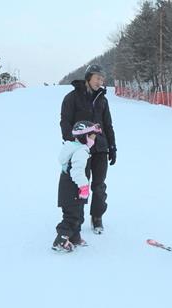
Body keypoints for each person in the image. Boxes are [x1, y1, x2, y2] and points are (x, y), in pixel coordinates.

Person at [60, 64, 117, 234]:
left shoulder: (102, 100)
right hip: (80, 149)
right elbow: (65, 122)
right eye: (97, 77)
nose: (100, 81)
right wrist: (72, 142)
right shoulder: (72, 97)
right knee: (79, 184)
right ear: (88, 77)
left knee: (99, 186)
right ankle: (76, 219)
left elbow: (108, 125)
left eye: (102, 79)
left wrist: (112, 147)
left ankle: (97, 217)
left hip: (100, 148)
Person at [52, 121, 102, 252]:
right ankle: (61, 240)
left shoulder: (72, 147)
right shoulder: (81, 151)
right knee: (71, 217)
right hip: (73, 190)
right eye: (92, 137)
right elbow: (77, 171)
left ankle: (74, 237)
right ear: (84, 137)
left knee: (78, 215)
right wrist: (84, 187)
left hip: (69, 190)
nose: (93, 140)